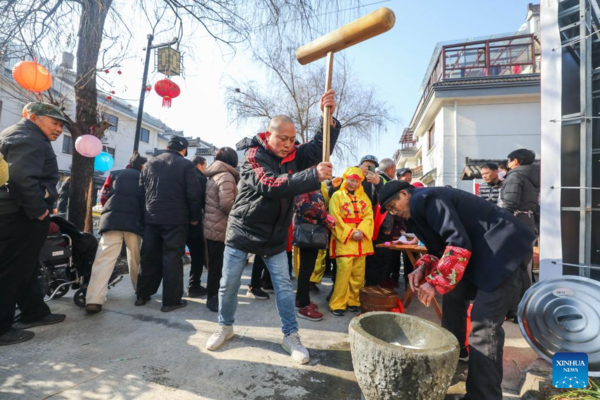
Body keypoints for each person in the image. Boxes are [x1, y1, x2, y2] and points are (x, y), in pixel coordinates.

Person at [205, 90, 340, 365]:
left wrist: (327, 118)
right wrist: (314, 175)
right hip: (243, 230)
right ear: (269, 134)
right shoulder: (253, 155)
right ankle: (225, 326)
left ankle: (290, 335)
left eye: (292, 140)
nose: (289, 145)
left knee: (282, 287)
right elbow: (270, 184)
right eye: (283, 138)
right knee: (228, 283)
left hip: (276, 236)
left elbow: (318, 146)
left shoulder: (295, 154)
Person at [379, 180, 534, 400]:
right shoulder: (415, 215)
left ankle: (483, 395)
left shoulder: (427, 198)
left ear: (404, 193)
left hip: (504, 249)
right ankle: (456, 354)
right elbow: (439, 248)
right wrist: (423, 268)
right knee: (453, 297)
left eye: (392, 205)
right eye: (388, 210)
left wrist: (434, 281)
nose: (393, 211)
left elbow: (458, 243)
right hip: (483, 250)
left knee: (484, 324)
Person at [0, 102, 69, 345]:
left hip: (17, 213)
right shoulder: (28, 138)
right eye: (54, 123)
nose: (59, 129)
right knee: (11, 271)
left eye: (62, 125)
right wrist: (39, 210)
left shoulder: (20, 135)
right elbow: (20, 178)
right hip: (19, 215)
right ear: (33, 117)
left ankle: (34, 311)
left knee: (25, 266)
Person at [136, 136, 201, 312]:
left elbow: (141, 193)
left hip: (151, 217)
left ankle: (142, 295)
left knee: (149, 256)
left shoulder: (149, 164)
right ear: (184, 150)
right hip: (176, 219)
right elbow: (193, 194)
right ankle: (171, 301)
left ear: (167, 147)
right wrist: (195, 217)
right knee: (172, 257)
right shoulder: (186, 165)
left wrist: (143, 217)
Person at [84, 152, 147, 313]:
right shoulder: (144, 178)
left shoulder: (114, 174)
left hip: (111, 219)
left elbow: (104, 196)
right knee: (136, 258)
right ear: (142, 166)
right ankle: (140, 292)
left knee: (104, 258)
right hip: (134, 222)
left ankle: (94, 299)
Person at [500, 149, 540, 321]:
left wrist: (500, 225)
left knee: (512, 267)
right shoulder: (535, 175)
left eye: (508, 161)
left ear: (515, 161)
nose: (507, 164)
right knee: (524, 267)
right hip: (528, 221)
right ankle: (522, 308)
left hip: (515, 221)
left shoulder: (516, 176)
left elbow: (509, 203)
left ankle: (513, 309)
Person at [328, 167, 374, 316]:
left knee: (358, 274)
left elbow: (369, 216)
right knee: (343, 273)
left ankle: (354, 301)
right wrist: (352, 232)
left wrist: (361, 231)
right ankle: (338, 303)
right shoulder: (337, 196)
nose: (353, 183)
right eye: (350, 180)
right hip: (345, 240)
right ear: (345, 179)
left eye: (356, 181)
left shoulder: (364, 197)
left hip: (362, 241)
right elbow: (335, 217)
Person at [204, 147, 240, 313]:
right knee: (218, 266)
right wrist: (239, 213)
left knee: (215, 264)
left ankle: (213, 295)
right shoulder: (226, 176)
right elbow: (226, 203)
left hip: (212, 225)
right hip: (220, 226)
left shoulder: (215, 174)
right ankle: (212, 298)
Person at [293, 185, 335, 321]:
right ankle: (303, 306)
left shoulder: (316, 188)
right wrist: (325, 216)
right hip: (308, 232)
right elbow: (304, 207)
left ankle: (301, 299)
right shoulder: (302, 188)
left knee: (308, 268)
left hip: (315, 232)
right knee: (305, 269)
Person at [186, 156, 208, 298]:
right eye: (205, 165)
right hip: (193, 223)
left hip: (176, 222)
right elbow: (200, 201)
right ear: (199, 165)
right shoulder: (200, 178)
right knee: (197, 255)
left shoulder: (182, 175)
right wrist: (195, 219)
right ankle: (194, 285)